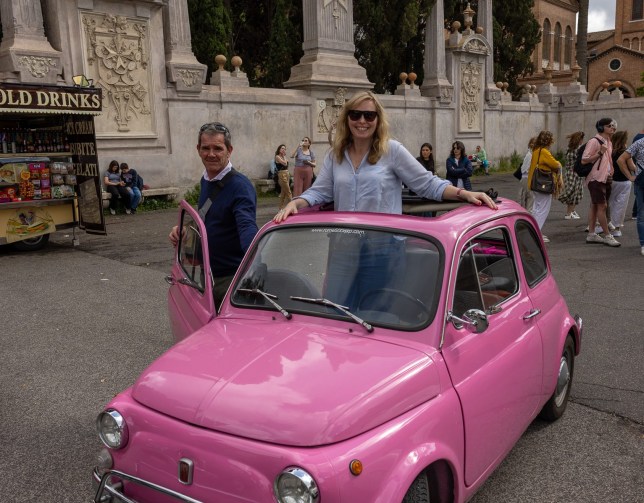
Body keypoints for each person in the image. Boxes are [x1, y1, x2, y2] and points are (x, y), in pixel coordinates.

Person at [273, 91, 496, 307]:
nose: (362, 121)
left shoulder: (392, 151)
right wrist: (295, 203)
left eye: (369, 115)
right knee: (335, 310)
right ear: (347, 118)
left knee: (376, 315)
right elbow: (320, 191)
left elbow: (426, 183)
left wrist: (465, 194)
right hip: (343, 247)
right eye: (355, 114)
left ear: (378, 119)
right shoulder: (336, 154)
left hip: (383, 247)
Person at [169, 122, 258, 308]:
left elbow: (247, 227)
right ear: (198, 149)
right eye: (205, 148)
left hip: (231, 280)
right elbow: (208, 217)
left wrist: (257, 259)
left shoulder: (240, 186)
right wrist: (185, 230)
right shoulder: (207, 179)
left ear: (229, 150)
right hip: (208, 274)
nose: (211, 154)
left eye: (218, 148)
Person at [583, 118, 620, 247]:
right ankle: (607, 235)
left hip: (605, 178)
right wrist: (599, 152)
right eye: (610, 126)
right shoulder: (594, 141)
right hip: (595, 178)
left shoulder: (608, 141)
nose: (613, 128)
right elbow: (584, 160)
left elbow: (608, 159)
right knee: (602, 206)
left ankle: (592, 234)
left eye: (614, 126)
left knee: (595, 206)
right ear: (601, 127)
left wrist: (611, 169)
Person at [527, 130, 562, 243]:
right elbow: (555, 165)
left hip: (535, 183)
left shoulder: (536, 150)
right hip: (543, 184)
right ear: (549, 140)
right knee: (542, 209)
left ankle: (533, 231)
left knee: (537, 208)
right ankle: (536, 233)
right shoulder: (545, 152)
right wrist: (559, 164)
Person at [617, 136, 644, 256]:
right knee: (642, 214)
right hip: (642, 183)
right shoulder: (639, 143)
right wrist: (630, 176)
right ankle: (643, 244)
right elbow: (621, 159)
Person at [607, 131, 630, 237]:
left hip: (612, 180)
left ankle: (607, 224)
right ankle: (616, 228)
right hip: (624, 180)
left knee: (610, 203)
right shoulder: (626, 152)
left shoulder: (611, 151)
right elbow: (632, 166)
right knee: (621, 205)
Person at [558, 131, 585, 220]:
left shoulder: (569, 148)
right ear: (579, 139)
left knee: (573, 193)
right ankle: (569, 213)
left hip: (569, 172)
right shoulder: (578, 149)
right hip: (575, 173)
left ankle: (571, 211)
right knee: (574, 193)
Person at [518, 137, 536, 212]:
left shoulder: (529, 154)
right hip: (527, 178)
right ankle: (527, 214)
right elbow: (525, 169)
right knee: (529, 197)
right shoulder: (530, 155)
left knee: (526, 197)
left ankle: (526, 212)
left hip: (526, 178)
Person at [274, 144, 292, 209]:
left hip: (287, 174)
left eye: (284, 149)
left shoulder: (284, 157)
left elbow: (286, 165)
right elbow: (284, 163)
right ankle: (292, 207)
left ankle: (280, 208)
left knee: (283, 193)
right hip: (282, 174)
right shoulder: (277, 157)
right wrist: (284, 156)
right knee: (288, 192)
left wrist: (284, 156)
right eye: (282, 148)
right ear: (279, 149)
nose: (283, 150)